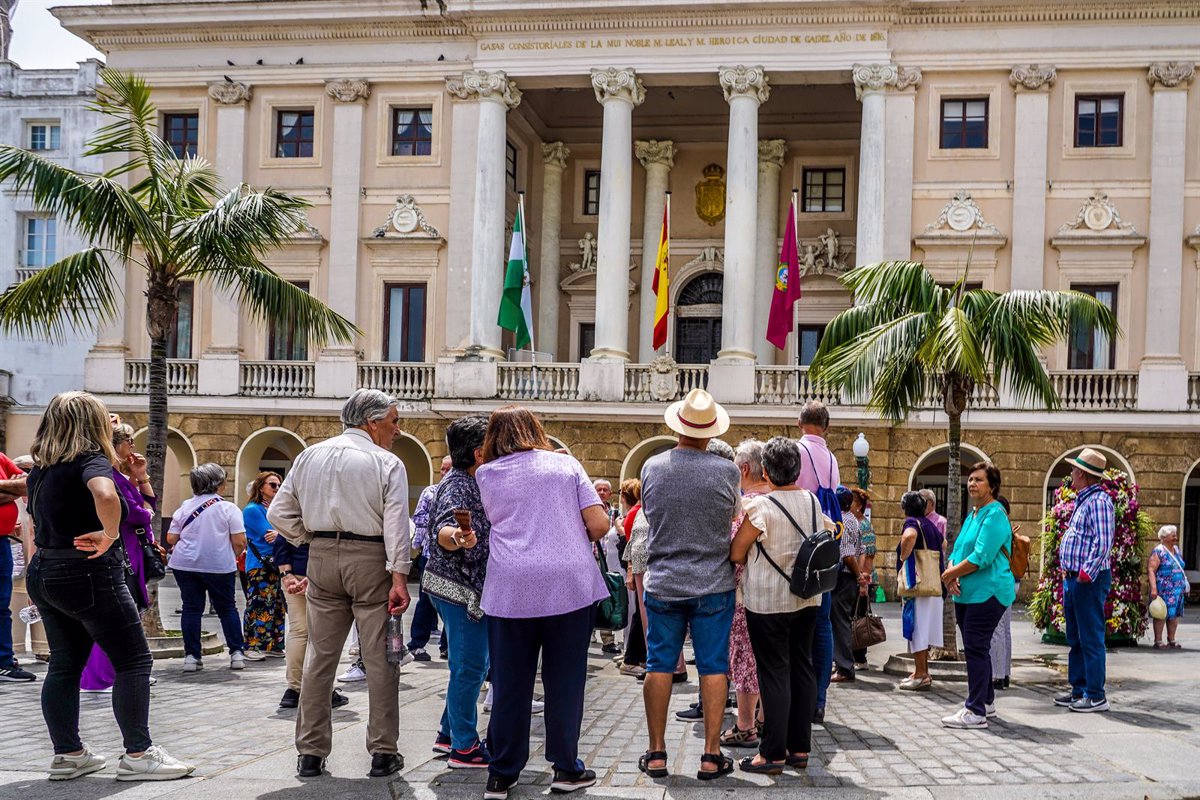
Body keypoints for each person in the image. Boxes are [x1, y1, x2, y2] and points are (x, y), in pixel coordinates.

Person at [24, 391, 194, 780]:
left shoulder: (42, 469)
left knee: (65, 664)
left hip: (46, 570)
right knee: (134, 659)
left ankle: (68, 754)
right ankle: (138, 753)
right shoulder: (90, 459)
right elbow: (103, 493)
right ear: (92, 424)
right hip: (88, 571)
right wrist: (109, 533)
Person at [268, 388, 413, 779]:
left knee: (320, 657)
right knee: (380, 659)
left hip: (321, 557)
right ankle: (383, 751)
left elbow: (278, 512)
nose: (398, 430)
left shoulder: (308, 455)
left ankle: (310, 753)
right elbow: (397, 525)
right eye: (394, 421)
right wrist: (400, 576)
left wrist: (307, 539)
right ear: (372, 421)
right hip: (370, 557)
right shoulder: (386, 462)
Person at [474, 405, 610, 800]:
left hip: (510, 587)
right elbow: (600, 525)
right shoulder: (565, 467)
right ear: (536, 430)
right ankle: (566, 768)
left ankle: (501, 773)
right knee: (565, 680)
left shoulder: (485, 474)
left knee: (510, 682)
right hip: (568, 584)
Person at [638, 389, 739, 782]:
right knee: (713, 665)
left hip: (663, 581)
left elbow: (649, 513)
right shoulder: (726, 471)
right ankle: (712, 755)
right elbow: (732, 516)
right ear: (710, 431)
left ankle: (657, 751)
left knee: (659, 663)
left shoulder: (652, 466)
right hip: (713, 582)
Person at [730, 436, 831, 774]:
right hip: (807, 597)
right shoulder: (813, 502)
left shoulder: (759, 506)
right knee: (802, 668)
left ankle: (772, 753)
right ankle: (799, 748)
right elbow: (829, 533)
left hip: (768, 601)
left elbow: (737, 551)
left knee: (774, 672)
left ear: (768, 472)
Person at [423, 415, 492, 767]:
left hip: (457, 586)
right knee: (469, 666)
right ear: (480, 453)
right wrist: (458, 538)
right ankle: (464, 746)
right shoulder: (459, 486)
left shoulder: (466, 479)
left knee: (471, 665)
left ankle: (447, 733)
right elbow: (445, 529)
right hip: (457, 589)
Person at [81, 423, 162, 692]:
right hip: (122, 552)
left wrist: (141, 476)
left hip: (131, 551)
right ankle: (100, 678)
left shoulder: (121, 477)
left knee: (127, 613)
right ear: (115, 444)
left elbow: (150, 504)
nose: (133, 446)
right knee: (116, 616)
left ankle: (117, 673)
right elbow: (137, 512)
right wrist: (144, 509)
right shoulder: (109, 477)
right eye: (129, 440)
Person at [939, 462, 1015, 729]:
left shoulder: (994, 514)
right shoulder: (974, 513)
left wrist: (949, 575)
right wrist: (951, 572)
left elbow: (982, 557)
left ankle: (975, 711)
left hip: (989, 592)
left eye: (979, 480)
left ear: (992, 486)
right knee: (975, 647)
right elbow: (958, 548)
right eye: (970, 479)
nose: (972, 484)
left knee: (975, 648)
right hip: (967, 594)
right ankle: (987, 702)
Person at [168, 463, 250, 672]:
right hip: (218, 565)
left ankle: (192, 657)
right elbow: (239, 541)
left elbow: (171, 538)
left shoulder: (184, 507)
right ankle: (236, 653)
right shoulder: (228, 508)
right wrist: (230, 555)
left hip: (184, 564)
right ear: (219, 484)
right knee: (227, 608)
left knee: (191, 608)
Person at [1055, 448, 1115, 713]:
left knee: (1090, 637)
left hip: (1087, 579)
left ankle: (1095, 695)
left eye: (1073, 470)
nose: (1070, 474)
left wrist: (1086, 573)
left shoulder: (1099, 501)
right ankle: (1079, 689)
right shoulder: (1085, 499)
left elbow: (1103, 542)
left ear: (1083, 473)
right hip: (1076, 578)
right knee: (1076, 637)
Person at [720, 439, 770, 750]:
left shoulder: (747, 506)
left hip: (747, 594)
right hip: (780, 596)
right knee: (769, 660)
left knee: (745, 660)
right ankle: (765, 718)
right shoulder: (781, 499)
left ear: (744, 469)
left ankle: (745, 725)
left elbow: (734, 552)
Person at [794, 400, 838, 722]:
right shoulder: (833, 459)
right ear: (827, 426)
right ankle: (819, 700)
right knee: (823, 623)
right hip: (825, 548)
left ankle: (798, 696)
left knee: (795, 624)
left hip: (797, 545)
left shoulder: (796, 452)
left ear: (799, 422)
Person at [896, 490, 945, 691]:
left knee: (917, 630)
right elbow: (944, 543)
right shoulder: (930, 524)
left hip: (918, 587)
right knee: (923, 632)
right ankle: (921, 672)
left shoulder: (912, 523)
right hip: (933, 586)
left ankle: (922, 674)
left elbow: (909, 537)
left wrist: (903, 557)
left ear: (906, 508)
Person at [409, 455, 452, 661]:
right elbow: (418, 518)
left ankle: (447, 646)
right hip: (430, 555)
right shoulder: (431, 492)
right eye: (442, 469)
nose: (444, 473)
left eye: (448, 469)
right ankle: (417, 644)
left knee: (453, 603)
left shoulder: (463, 490)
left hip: (454, 558)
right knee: (426, 602)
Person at [241, 471, 286, 661]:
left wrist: (280, 534)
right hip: (260, 565)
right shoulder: (253, 510)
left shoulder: (277, 509)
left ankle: (274, 644)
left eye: (279, 485)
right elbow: (269, 536)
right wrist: (282, 533)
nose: (277, 488)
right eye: (272, 485)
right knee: (259, 605)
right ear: (261, 488)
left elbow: (282, 534)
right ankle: (252, 645)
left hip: (277, 564)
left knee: (277, 606)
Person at [9, 453, 48, 664]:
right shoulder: (10, 499)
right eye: (22, 471)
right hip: (17, 561)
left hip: (39, 557)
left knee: (42, 602)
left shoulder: (44, 495)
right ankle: (13, 650)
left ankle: (44, 648)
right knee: (14, 603)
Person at [0, 449, 34, 682]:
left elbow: (29, 483)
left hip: (2, 541)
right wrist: (10, 487)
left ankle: (3, 662)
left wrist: (5, 490)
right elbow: (20, 485)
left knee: (2, 604)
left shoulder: (0, 457)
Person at [830, 485, 867, 683]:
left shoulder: (842, 521)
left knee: (839, 623)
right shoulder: (854, 521)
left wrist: (857, 575)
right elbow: (861, 550)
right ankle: (841, 664)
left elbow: (847, 555)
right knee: (840, 621)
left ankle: (844, 668)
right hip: (850, 578)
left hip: (843, 578)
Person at [990, 496, 1020, 690]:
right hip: (1013, 581)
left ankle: (997, 675)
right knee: (1005, 630)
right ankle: (1005, 672)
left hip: (1001, 582)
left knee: (997, 630)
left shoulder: (999, 528)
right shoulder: (1009, 529)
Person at [617, 479, 646, 677]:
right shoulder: (638, 512)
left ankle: (636, 656)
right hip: (639, 568)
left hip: (638, 567)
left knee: (637, 612)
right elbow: (633, 543)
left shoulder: (635, 512)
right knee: (638, 614)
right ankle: (632, 658)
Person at [594, 478, 622, 655]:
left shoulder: (615, 514)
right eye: (598, 490)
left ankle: (608, 639)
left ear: (610, 494)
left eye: (605, 490)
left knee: (606, 599)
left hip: (607, 562)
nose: (602, 492)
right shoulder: (588, 511)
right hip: (590, 559)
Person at [1148, 524, 1187, 649]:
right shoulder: (1159, 551)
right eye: (1173, 535)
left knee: (1174, 614)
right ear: (1164, 537)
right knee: (1161, 614)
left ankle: (1172, 639)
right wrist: (1154, 588)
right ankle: (1158, 641)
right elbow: (1151, 570)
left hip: (1177, 590)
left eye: (1175, 535)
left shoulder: (1176, 549)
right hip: (1164, 589)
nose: (1175, 537)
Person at [850, 488, 876, 666]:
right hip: (856, 577)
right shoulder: (853, 523)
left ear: (858, 506)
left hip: (861, 578)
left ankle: (860, 658)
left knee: (859, 619)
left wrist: (863, 582)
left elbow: (868, 556)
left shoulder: (864, 526)